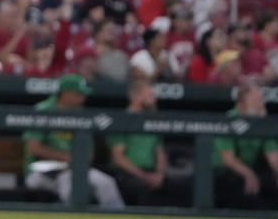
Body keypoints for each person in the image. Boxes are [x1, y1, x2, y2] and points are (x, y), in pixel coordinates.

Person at [22, 74, 125, 209]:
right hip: (42, 173)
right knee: (69, 185)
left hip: (75, 169)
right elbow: (33, 148)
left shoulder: (81, 113)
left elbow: (89, 154)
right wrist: (66, 157)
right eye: (78, 94)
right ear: (65, 94)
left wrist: (78, 160)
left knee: (107, 183)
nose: (82, 98)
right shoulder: (44, 110)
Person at [108, 80, 188, 206]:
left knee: (181, 186)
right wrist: (144, 176)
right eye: (150, 95)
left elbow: (160, 152)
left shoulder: (152, 119)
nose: (154, 99)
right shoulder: (122, 119)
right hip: (129, 174)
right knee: (141, 189)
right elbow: (118, 158)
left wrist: (160, 174)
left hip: (152, 172)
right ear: (135, 96)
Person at [212, 85, 278, 209]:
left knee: (273, 182)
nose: (262, 102)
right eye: (259, 98)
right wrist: (249, 174)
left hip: (250, 169)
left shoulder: (262, 122)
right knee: (237, 182)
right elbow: (227, 158)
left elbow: (274, 157)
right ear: (246, 98)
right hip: (223, 172)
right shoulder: (229, 119)